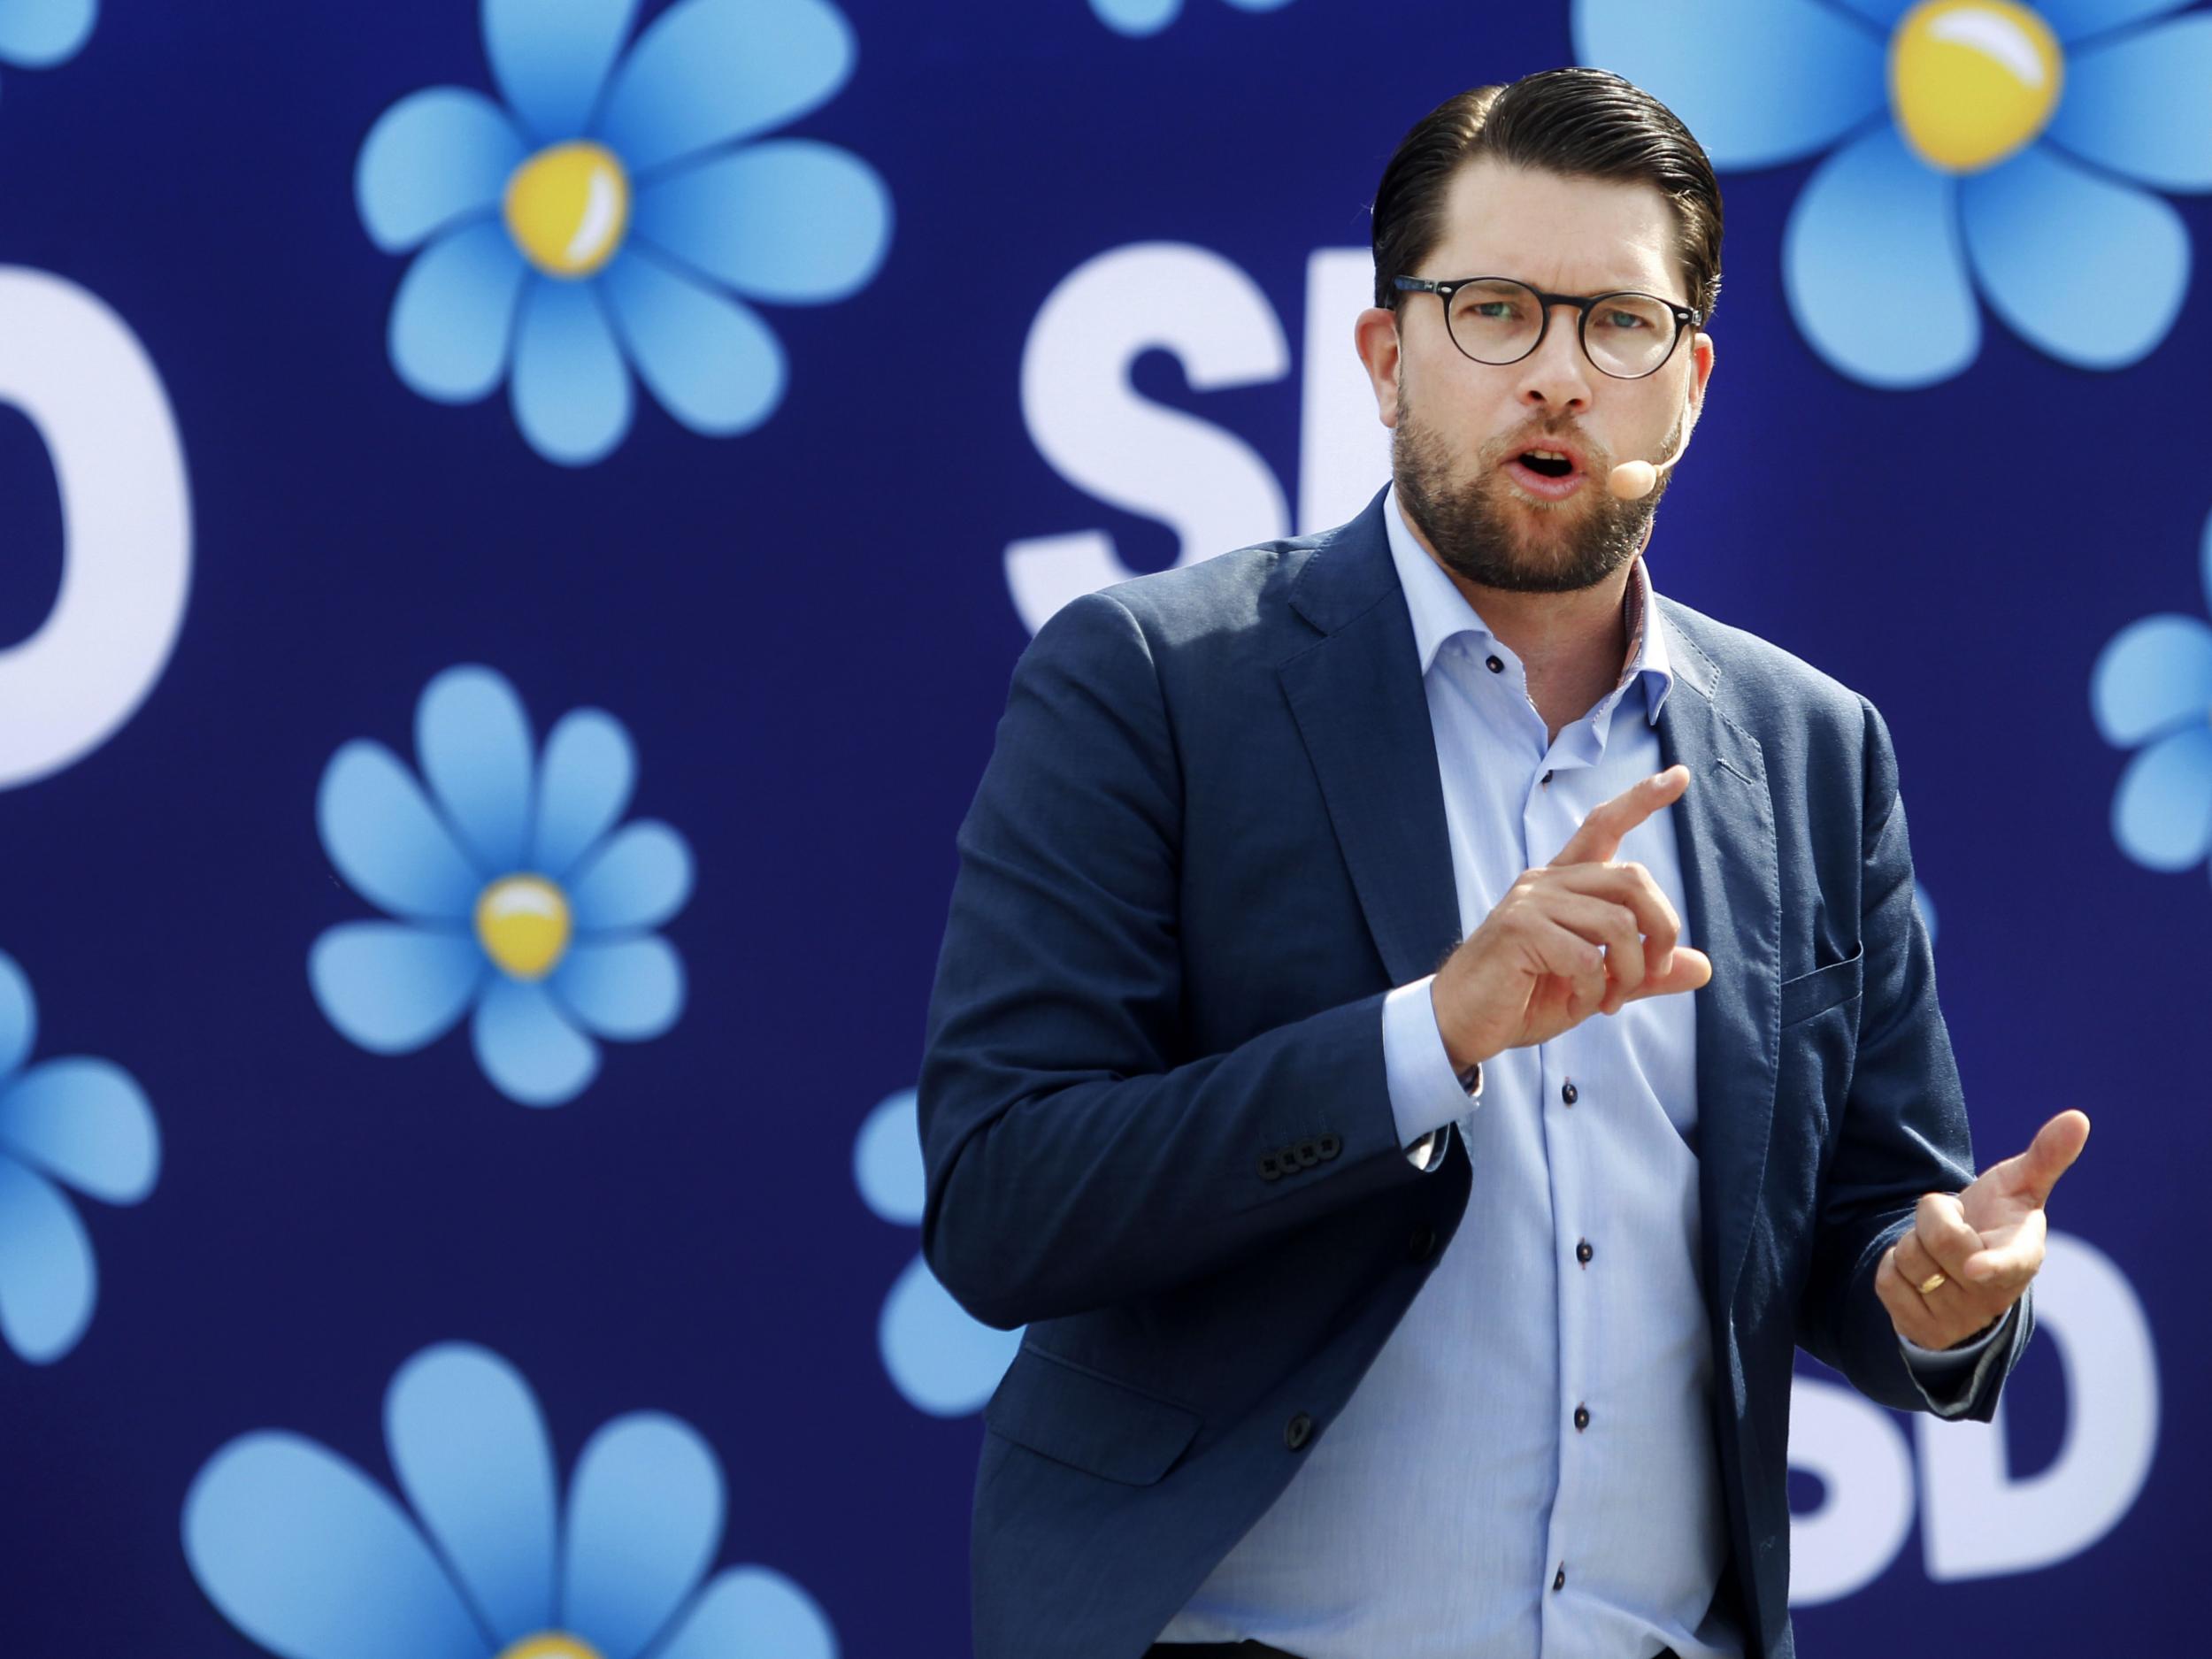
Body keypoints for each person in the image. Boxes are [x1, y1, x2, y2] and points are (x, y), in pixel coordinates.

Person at [918, 66, 2089, 1659]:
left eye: (1619, 325)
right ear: (1386, 357)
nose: (1558, 376)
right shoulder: (1149, 678)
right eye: (1494, 314)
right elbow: (1006, 1204)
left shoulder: (1815, 747)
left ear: (1690, 385)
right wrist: (1431, 1037)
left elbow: (1872, 1214)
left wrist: (1938, 1292)